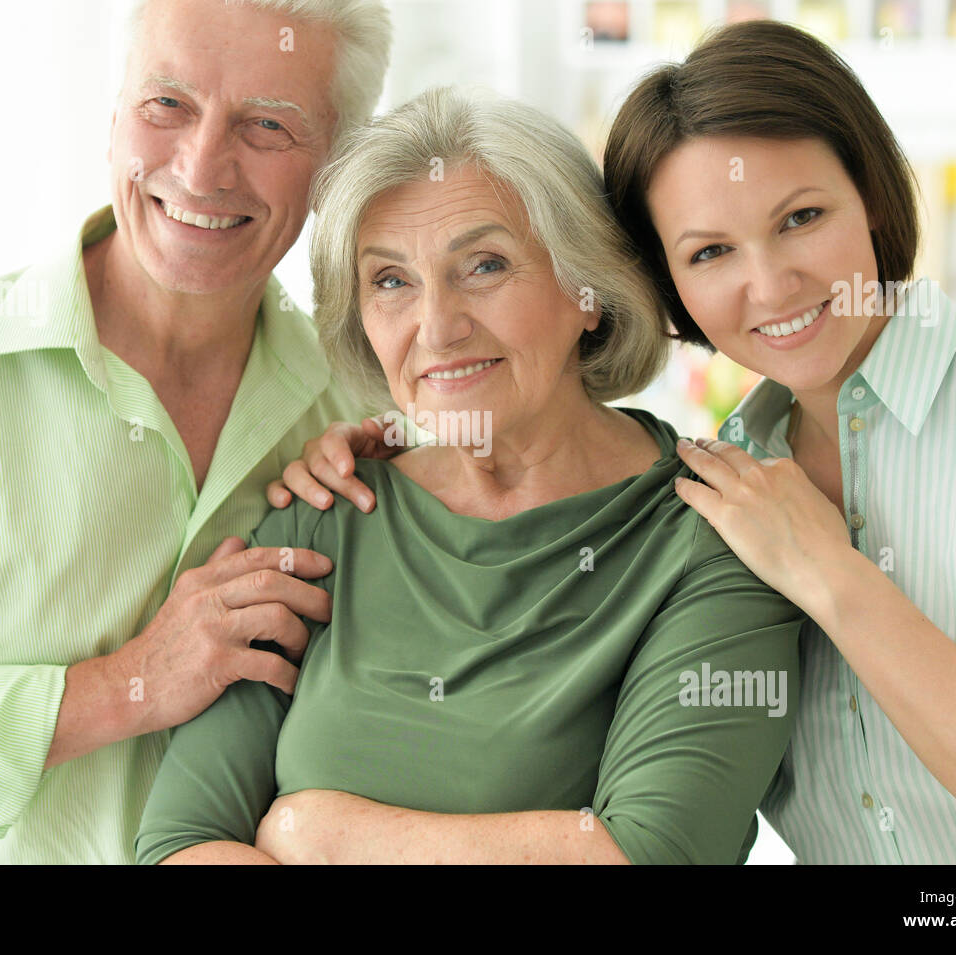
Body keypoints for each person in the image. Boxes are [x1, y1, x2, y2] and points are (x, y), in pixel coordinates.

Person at [280, 20, 956, 864]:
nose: (770, 284)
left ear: (874, 195)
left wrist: (833, 576)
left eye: (802, 217)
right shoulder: (724, 482)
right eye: (710, 252)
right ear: (667, 286)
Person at [0, 0, 391, 864]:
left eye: (266, 124)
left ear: (336, 171)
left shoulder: (362, 413)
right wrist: (129, 684)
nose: (201, 167)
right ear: (114, 116)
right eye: (167, 105)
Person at [135, 86, 802, 865]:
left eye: (484, 265)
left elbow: (651, 855)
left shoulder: (714, 534)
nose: (437, 326)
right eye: (391, 280)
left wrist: (318, 835)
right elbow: (182, 844)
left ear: (588, 291)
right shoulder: (321, 516)